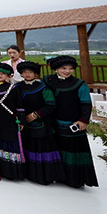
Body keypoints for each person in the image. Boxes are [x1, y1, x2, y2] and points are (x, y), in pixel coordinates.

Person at [42, 56, 98, 188]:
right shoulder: (47, 81)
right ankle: (57, 175)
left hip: (72, 123)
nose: (67, 71)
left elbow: (86, 103)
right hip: (53, 122)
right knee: (56, 148)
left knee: (73, 150)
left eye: (70, 68)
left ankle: (75, 179)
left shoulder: (79, 84)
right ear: (56, 68)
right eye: (64, 68)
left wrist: (83, 120)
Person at [15, 61, 64, 185]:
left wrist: (35, 115)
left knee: (41, 148)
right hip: (24, 123)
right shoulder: (17, 87)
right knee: (27, 147)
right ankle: (28, 173)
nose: (27, 74)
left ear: (36, 74)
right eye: (24, 72)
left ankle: (44, 176)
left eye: (30, 72)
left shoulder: (43, 87)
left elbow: (50, 104)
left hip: (41, 123)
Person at [0, 62, 25, 180]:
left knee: (9, 142)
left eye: (3, 73)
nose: (0, 75)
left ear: (8, 75)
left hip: (9, 120)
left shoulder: (13, 88)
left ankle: (11, 172)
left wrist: (21, 120)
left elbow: (19, 105)